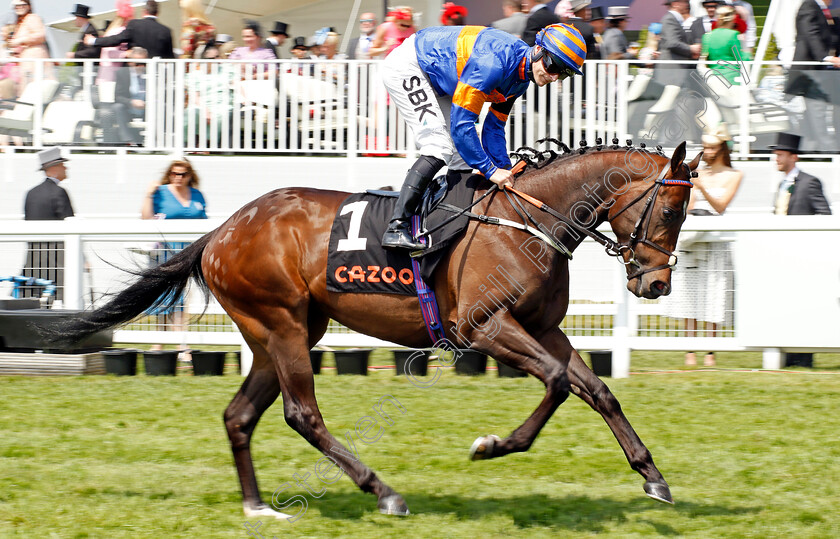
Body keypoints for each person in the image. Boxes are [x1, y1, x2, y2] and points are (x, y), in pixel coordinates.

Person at [379, 23, 586, 250]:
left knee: (460, 158)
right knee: (438, 145)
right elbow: (461, 124)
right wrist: (490, 171)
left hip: (440, 79)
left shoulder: (519, 82)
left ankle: (443, 223)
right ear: (538, 50)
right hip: (410, 66)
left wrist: (505, 170)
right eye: (554, 66)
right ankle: (396, 228)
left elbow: (494, 128)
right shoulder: (493, 63)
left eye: (564, 74)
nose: (555, 77)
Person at [664, 124, 743, 367]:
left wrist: (703, 187)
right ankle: (690, 348)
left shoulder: (734, 175)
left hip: (715, 235)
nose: (706, 152)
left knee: (714, 292)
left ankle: (710, 350)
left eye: (711, 148)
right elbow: (688, 205)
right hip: (693, 233)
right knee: (689, 291)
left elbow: (720, 206)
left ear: (721, 149)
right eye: (705, 147)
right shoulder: (697, 172)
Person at [141, 158, 207, 349]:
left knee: (182, 297)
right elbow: (145, 218)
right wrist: (147, 195)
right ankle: (163, 342)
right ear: (169, 175)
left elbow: (204, 222)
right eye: (174, 174)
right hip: (164, 251)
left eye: (183, 174)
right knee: (163, 296)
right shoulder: (160, 193)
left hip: (188, 252)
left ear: (189, 176)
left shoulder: (197, 196)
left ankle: (178, 343)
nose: (178, 178)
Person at [785, 0, 840, 153]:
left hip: (820, 73)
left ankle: (812, 151)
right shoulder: (809, 6)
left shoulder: (823, 10)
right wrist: (827, 58)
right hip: (810, 73)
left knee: (814, 116)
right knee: (817, 113)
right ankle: (830, 152)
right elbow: (810, 33)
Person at [21, 148, 75, 302]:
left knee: (32, 298)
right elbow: (70, 224)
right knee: (60, 297)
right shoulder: (59, 192)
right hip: (56, 258)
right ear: (54, 169)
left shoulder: (31, 193)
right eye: (62, 165)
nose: (66, 168)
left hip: (33, 256)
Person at [85, 0, 174, 59]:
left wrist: (93, 41)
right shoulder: (166, 31)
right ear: (157, 12)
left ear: (144, 11)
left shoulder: (134, 24)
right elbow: (170, 57)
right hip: (156, 75)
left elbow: (115, 39)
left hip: (135, 71)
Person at [771, 132, 832, 216]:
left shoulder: (809, 183)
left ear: (793, 157)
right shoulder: (781, 184)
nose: (776, 159)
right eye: (776, 155)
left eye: (780, 155)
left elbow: (825, 214)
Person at [8, 0, 50, 96]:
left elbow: (41, 35)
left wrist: (20, 40)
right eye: (16, 6)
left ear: (29, 6)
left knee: (34, 89)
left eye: (22, 5)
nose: (19, 8)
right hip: (26, 61)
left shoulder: (32, 18)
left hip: (35, 58)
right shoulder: (22, 22)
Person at [701, 5, 750, 86]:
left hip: (712, 78)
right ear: (732, 20)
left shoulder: (707, 36)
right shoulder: (733, 34)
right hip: (730, 79)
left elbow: (705, 60)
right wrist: (748, 54)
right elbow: (739, 58)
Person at [111, 46, 148, 144]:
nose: (141, 66)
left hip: (147, 108)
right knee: (118, 107)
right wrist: (132, 102)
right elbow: (117, 96)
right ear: (130, 62)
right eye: (137, 63)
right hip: (129, 108)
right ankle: (128, 141)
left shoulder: (152, 73)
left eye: (143, 63)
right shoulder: (122, 73)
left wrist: (148, 103)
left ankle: (158, 140)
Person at [96, 0, 134, 83]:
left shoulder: (112, 31)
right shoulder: (120, 31)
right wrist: (127, 53)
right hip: (112, 75)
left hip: (106, 74)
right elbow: (111, 53)